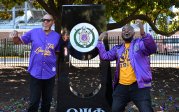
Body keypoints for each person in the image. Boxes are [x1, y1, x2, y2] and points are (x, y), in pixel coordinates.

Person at [97, 20, 157, 112]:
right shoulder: (117, 48)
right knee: (115, 109)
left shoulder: (140, 44)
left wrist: (143, 33)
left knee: (146, 110)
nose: (126, 31)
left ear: (133, 33)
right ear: (122, 34)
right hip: (122, 87)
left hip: (139, 86)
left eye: (129, 29)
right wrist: (99, 41)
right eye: (123, 30)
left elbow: (152, 48)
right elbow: (105, 56)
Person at [9, 14, 61, 112]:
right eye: (44, 20)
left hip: (50, 73)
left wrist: (51, 56)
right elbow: (18, 41)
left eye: (48, 20)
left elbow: (58, 52)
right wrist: (15, 36)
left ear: (53, 22)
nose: (45, 22)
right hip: (35, 72)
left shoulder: (57, 36)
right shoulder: (34, 32)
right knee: (34, 101)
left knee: (47, 101)